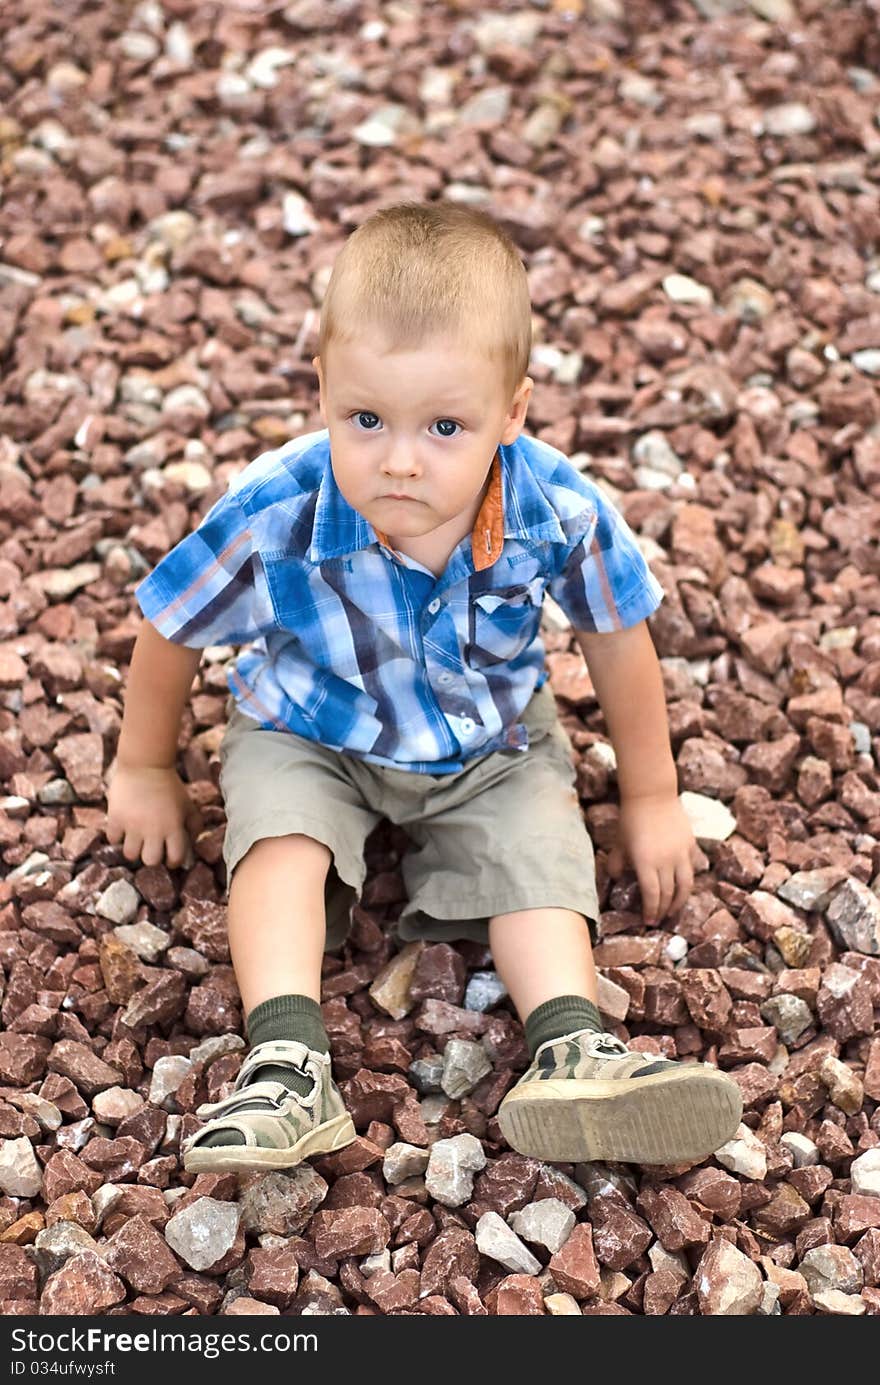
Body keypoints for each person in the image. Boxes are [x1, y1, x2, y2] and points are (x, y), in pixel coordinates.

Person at [105, 200, 742, 1174]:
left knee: (537, 847)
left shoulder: (553, 504)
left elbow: (617, 636)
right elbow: (171, 622)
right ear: (320, 390)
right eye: (365, 417)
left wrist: (651, 794)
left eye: (446, 424)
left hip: (486, 737)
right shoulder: (277, 502)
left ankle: (575, 1045)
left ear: (512, 412)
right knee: (279, 839)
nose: (399, 457)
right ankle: (284, 1061)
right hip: (313, 725)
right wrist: (143, 765)